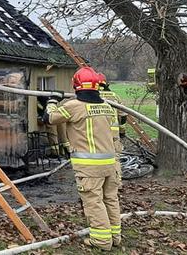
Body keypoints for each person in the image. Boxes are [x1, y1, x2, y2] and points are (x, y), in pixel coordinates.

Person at [43, 67, 122, 250]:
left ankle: (102, 241)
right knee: (110, 199)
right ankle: (115, 237)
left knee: (94, 202)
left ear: (76, 85)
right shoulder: (107, 107)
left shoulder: (73, 106)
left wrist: (53, 100)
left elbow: (49, 118)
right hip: (111, 163)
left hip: (89, 166)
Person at [97, 73, 128, 153]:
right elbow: (123, 115)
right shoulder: (114, 96)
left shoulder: (92, 96)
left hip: (97, 131)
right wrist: (122, 131)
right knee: (115, 154)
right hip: (113, 132)